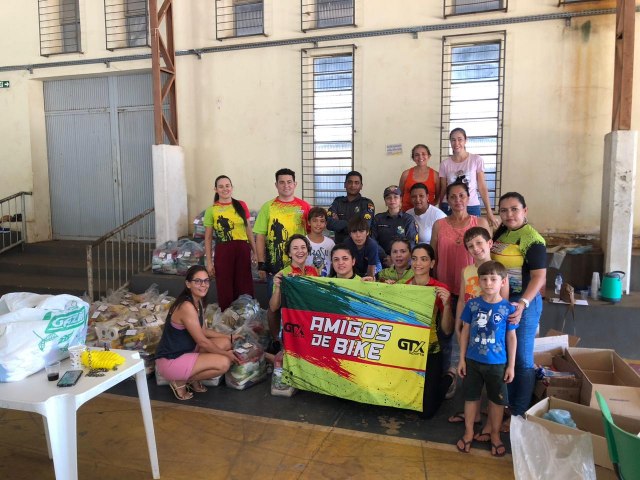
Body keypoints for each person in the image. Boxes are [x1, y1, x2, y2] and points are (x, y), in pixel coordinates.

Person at [448, 226, 513, 430]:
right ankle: (474, 415)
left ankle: (489, 425)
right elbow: (461, 299)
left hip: (492, 336)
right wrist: (459, 323)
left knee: (493, 378)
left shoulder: (500, 271)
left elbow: (504, 305)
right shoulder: (466, 271)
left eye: (479, 243)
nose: (475, 249)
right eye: (470, 246)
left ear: (489, 243)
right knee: (471, 373)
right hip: (470, 330)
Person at [491, 192, 547, 428]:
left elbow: (539, 277)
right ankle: (507, 405)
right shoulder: (502, 232)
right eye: (504, 210)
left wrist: (523, 304)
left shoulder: (532, 239)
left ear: (525, 210)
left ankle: (519, 415)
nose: (509, 214)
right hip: (502, 301)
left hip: (523, 303)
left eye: (514, 209)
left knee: (522, 360)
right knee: (505, 357)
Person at [431, 181, 490, 390]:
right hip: (445, 290)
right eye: (453, 197)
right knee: (444, 336)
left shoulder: (480, 222)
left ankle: (474, 384)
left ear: (468, 197)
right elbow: (433, 257)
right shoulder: (439, 224)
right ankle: (447, 379)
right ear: (447, 199)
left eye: (461, 196)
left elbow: (489, 257)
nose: (457, 200)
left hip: (474, 292)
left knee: (474, 337)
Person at [456, 261, 517, 456]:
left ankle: (495, 435)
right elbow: (465, 331)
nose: (488, 283)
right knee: (471, 398)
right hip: (472, 362)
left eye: (493, 279)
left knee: (497, 401)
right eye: (484, 279)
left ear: (503, 281)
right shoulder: (472, 304)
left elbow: (511, 337)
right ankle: (468, 433)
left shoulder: (508, 309)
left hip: (497, 364)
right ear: (479, 281)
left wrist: (511, 366)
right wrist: (461, 359)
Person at [155, 265, 237, 401]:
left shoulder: (197, 302)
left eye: (206, 281)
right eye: (198, 281)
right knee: (224, 363)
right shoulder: (186, 306)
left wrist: (229, 336)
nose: (203, 285)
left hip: (188, 351)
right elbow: (202, 341)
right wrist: (225, 354)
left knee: (226, 343)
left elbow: (203, 331)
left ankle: (190, 377)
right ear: (188, 283)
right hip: (171, 359)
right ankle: (179, 381)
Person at [405, 243, 455, 418]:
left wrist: (448, 305)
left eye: (424, 259)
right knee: (402, 403)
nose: (418, 263)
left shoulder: (439, 289)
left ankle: (449, 377)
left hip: (431, 350)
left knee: (426, 412)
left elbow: (447, 330)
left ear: (432, 264)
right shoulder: (403, 287)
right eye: (415, 258)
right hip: (406, 350)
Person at [203, 175, 257, 311]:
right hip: (223, 251)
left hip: (242, 250)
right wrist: (209, 262)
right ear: (215, 189)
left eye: (227, 186)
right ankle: (227, 319)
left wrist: (255, 252)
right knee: (224, 285)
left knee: (244, 284)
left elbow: (249, 231)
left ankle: (246, 315)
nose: (225, 189)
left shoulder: (241, 205)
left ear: (232, 188)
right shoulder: (211, 210)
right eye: (221, 186)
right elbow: (208, 238)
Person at [254, 168, 311, 288]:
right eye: (282, 182)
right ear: (276, 185)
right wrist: (261, 264)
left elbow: (311, 236)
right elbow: (260, 237)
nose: (286, 185)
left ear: (295, 184)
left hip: (299, 269)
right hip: (274, 268)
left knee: (296, 305)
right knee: (274, 304)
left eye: (289, 182)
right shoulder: (268, 207)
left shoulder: (304, 207)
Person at [438, 128, 499, 228]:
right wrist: (440, 207)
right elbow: (443, 188)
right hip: (450, 206)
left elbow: (482, 186)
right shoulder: (445, 164)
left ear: (466, 140)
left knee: (473, 236)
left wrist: (489, 212)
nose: (456, 143)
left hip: (471, 205)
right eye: (453, 140)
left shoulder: (476, 160)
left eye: (460, 139)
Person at [269, 234, 319, 325]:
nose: (300, 251)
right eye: (295, 248)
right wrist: (277, 288)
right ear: (289, 253)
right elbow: (273, 308)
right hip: (293, 323)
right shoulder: (283, 274)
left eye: (303, 247)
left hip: (311, 321)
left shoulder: (313, 271)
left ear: (307, 251)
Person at [371, 185, 418, 261]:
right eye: (388, 198)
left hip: (403, 261)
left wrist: (398, 258)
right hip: (382, 260)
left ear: (401, 199)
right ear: (385, 201)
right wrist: (385, 257)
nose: (392, 200)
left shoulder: (408, 219)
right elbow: (373, 241)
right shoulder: (378, 218)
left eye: (395, 197)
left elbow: (411, 243)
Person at [327, 171, 375, 243]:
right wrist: (354, 224)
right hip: (340, 246)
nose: (353, 185)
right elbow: (329, 224)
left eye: (356, 183)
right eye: (350, 182)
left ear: (361, 186)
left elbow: (364, 226)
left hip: (359, 247)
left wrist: (340, 223)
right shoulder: (337, 202)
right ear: (345, 185)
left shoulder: (367, 203)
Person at [399, 144, 440, 211]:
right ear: (413, 158)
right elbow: (400, 195)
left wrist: (429, 207)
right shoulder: (405, 174)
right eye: (417, 155)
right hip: (407, 213)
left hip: (427, 214)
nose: (420, 157)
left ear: (429, 156)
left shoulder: (435, 175)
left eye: (423, 154)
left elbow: (438, 197)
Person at [306, 207, 335, 277]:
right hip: (307, 281)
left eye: (322, 221)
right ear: (309, 222)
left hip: (325, 282)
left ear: (325, 224)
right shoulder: (303, 241)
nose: (318, 224)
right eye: (315, 221)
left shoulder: (330, 243)